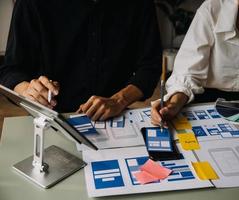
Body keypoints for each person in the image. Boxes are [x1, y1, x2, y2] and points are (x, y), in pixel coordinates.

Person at [0, 0, 162, 121]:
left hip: (115, 116)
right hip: (52, 118)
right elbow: (11, 69)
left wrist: (119, 100)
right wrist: (28, 90)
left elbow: (150, 66)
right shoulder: (32, 3)